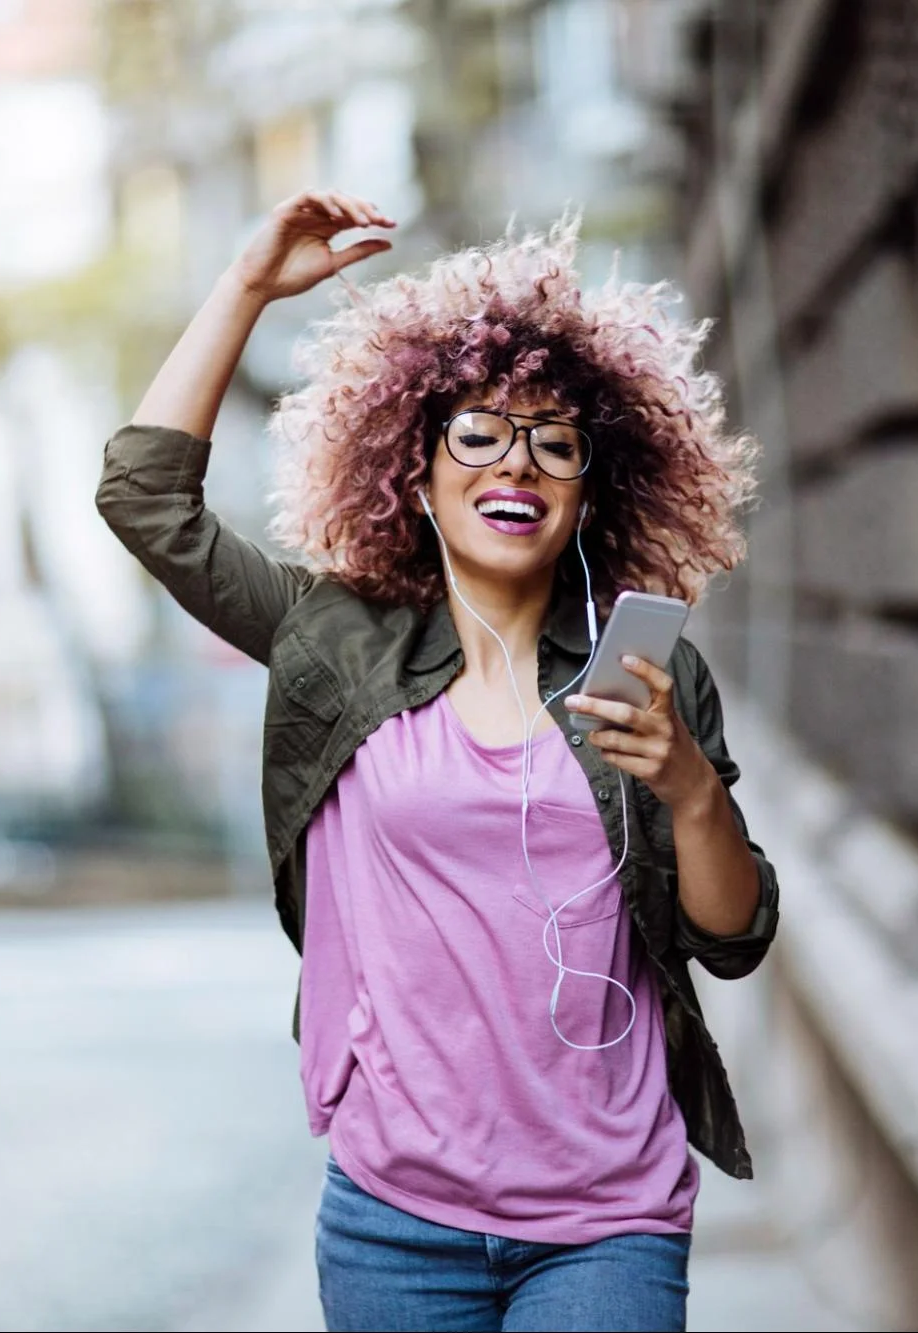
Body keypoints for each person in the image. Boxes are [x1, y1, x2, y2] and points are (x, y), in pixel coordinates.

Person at [96, 189, 779, 1333]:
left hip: (606, 1220)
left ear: (585, 498)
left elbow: (734, 935)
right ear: (414, 472)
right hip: (393, 1219)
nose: (517, 462)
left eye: (555, 444)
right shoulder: (333, 639)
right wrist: (245, 287)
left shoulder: (649, 675)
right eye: (478, 431)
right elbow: (143, 497)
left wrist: (687, 787)